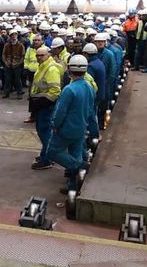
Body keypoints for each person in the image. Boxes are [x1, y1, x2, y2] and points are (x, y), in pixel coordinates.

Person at [48, 55, 98, 193]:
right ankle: (72, 186)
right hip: (81, 127)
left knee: (52, 152)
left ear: (69, 70)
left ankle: (80, 165)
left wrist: (55, 125)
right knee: (76, 153)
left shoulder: (69, 90)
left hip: (66, 130)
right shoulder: (89, 87)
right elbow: (90, 109)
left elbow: (60, 112)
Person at [29, 46, 61, 170]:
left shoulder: (51, 69)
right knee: (43, 131)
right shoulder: (43, 66)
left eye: (41, 55)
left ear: (48, 55)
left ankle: (47, 158)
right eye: (37, 55)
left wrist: (42, 101)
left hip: (46, 105)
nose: (39, 57)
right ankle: (46, 154)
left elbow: (54, 91)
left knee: (45, 131)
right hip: (40, 104)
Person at [23, 34, 44, 123]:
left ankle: (41, 115)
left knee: (42, 96)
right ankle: (33, 116)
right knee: (32, 96)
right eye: (35, 40)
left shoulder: (45, 49)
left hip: (42, 75)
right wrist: (26, 68)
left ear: (42, 41)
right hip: (31, 74)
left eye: (38, 40)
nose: (36, 42)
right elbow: (26, 59)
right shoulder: (29, 49)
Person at [2, 29, 25, 99]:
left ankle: (19, 93)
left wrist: (18, 64)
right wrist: (6, 63)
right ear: (10, 36)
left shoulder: (21, 45)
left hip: (17, 66)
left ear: (17, 36)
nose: (13, 36)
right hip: (8, 65)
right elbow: (3, 55)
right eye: (12, 35)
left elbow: (23, 56)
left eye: (15, 35)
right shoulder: (7, 45)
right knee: (7, 80)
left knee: (17, 80)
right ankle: (6, 93)